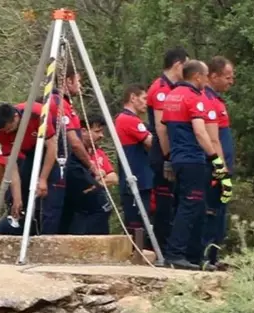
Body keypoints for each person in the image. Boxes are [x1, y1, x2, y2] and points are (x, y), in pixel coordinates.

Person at [162, 60, 228, 271]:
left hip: (178, 158)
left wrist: (168, 157)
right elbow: (201, 132)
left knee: (191, 206)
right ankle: (175, 253)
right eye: (206, 76)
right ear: (198, 77)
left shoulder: (172, 95)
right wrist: (215, 159)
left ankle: (192, 255)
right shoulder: (194, 98)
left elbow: (164, 129)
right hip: (193, 158)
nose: (207, 80)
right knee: (190, 206)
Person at [146, 47, 190, 253]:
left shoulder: (176, 87)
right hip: (164, 153)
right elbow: (161, 127)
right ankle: (162, 248)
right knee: (164, 204)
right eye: (186, 66)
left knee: (176, 202)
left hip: (176, 152)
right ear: (178, 64)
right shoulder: (161, 88)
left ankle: (172, 245)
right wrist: (168, 157)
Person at [0, 100, 57, 234]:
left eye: (9, 128)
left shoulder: (37, 114)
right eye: (4, 130)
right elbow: (12, 166)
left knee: (50, 188)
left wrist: (43, 178)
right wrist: (17, 197)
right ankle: (24, 224)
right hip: (30, 151)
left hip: (51, 144)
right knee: (25, 185)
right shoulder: (2, 134)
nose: (7, 132)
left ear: (16, 117)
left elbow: (52, 146)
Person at [49, 64, 100, 234]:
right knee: (95, 202)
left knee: (68, 210)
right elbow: (75, 142)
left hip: (68, 164)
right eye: (78, 81)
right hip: (67, 164)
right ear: (67, 81)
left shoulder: (66, 104)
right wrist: (91, 166)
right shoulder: (58, 103)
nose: (80, 85)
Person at [203, 56, 236, 269]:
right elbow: (213, 139)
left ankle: (215, 255)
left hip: (225, 168)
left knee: (221, 213)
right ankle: (205, 256)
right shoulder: (206, 100)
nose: (231, 81)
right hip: (215, 169)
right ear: (213, 76)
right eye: (227, 77)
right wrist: (221, 169)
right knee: (211, 211)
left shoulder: (217, 100)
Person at [115, 84, 153, 243]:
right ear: (133, 97)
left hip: (139, 178)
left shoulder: (131, 120)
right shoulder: (128, 120)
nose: (146, 102)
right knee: (136, 223)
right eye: (144, 98)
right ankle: (137, 254)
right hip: (135, 178)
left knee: (141, 220)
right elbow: (151, 143)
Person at [69, 114, 116, 234]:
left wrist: (94, 183)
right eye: (97, 131)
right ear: (84, 131)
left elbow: (113, 177)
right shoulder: (74, 155)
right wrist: (94, 181)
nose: (101, 135)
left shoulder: (97, 152)